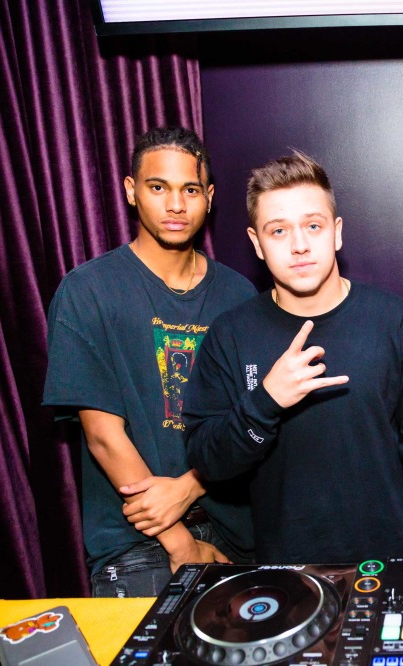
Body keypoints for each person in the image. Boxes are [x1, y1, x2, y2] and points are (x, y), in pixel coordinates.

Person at [183, 151, 403, 563]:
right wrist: (265, 401)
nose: (299, 246)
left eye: (313, 226)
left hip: (390, 564)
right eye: (278, 231)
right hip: (284, 571)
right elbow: (209, 462)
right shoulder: (231, 335)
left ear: (336, 232)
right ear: (257, 244)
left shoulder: (394, 321)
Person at [43, 127, 256, 597]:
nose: (176, 205)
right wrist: (180, 542)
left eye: (190, 190)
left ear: (209, 198)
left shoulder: (239, 295)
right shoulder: (88, 290)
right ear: (131, 190)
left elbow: (253, 423)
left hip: (237, 533)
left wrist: (192, 485)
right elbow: (103, 436)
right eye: (158, 187)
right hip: (136, 544)